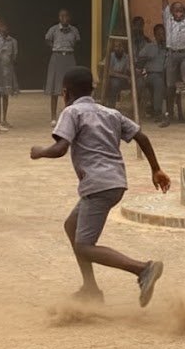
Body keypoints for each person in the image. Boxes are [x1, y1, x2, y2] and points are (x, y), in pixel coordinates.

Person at [30, 66, 171, 306]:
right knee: (71, 226)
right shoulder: (110, 112)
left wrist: (39, 152)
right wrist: (155, 168)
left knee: (84, 246)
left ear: (65, 93)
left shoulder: (72, 112)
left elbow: (60, 149)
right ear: (91, 89)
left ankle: (142, 269)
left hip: (97, 186)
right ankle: (90, 289)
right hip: (115, 182)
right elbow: (141, 137)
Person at [44, 9, 81, 127]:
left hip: (69, 57)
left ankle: (68, 115)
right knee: (55, 88)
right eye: (62, 16)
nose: (64, 18)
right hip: (57, 57)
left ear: (69, 17)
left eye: (66, 16)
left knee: (70, 87)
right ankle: (53, 117)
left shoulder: (74, 30)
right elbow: (47, 39)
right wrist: (55, 48)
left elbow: (77, 42)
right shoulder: (53, 29)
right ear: (59, 17)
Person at [136, 23, 169, 127]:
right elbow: (140, 60)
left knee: (163, 82)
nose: (162, 37)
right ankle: (157, 112)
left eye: (163, 34)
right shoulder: (149, 47)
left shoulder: (168, 48)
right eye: (159, 34)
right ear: (155, 35)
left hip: (166, 75)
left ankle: (164, 112)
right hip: (151, 74)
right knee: (157, 82)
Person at [0, 20, 19, 126]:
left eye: (6, 28)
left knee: (5, 95)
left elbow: (14, 56)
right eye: (2, 28)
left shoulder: (13, 41)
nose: (4, 30)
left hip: (8, 70)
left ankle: (4, 119)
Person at [105, 40, 132, 109]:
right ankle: (111, 106)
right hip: (113, 78)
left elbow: (127, 70)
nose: (118, 48)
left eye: (120, 46)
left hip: (123, 79)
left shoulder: (126, 57)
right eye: (116, 46)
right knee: (115, 83)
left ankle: (133, 108)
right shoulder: (111, 56)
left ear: (123, 47)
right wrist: (125, 76)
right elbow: (110, 72)